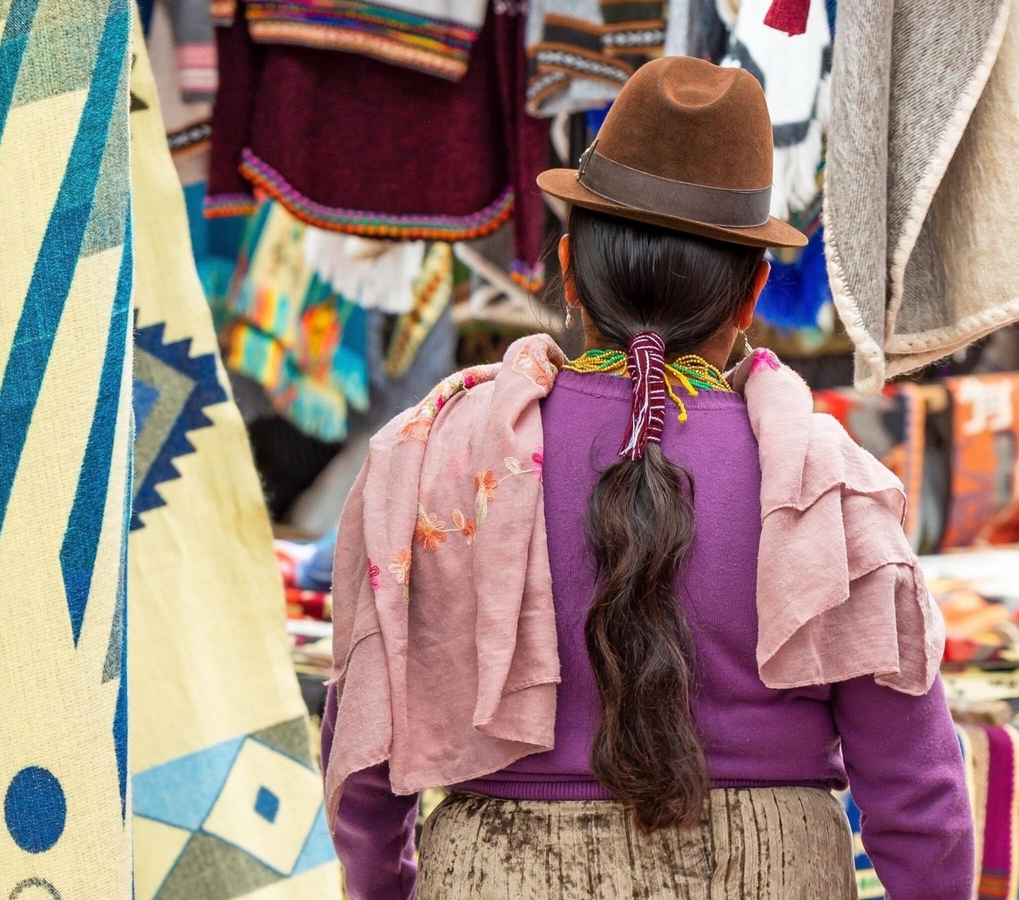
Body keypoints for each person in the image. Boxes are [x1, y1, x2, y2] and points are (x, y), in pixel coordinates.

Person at [322, 57, 975, 899]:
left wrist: (385, 884)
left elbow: (366, 743)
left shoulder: (434, 458)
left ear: (567, 269)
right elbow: (919, 793)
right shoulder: (827, 487)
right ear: (753, 297)